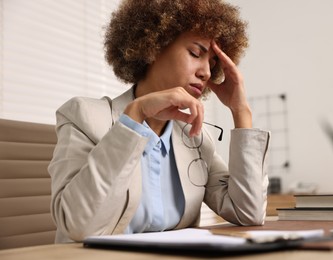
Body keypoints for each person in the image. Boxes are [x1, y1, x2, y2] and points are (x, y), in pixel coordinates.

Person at [48, 0, 270, 243]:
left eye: (212, 64)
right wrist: (135, 116)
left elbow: (248, 213)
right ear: (152, 46)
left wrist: (241, 111)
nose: (206, 72)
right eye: (196, 53)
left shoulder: (194, 137)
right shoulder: (84, 116)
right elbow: (78, 226)